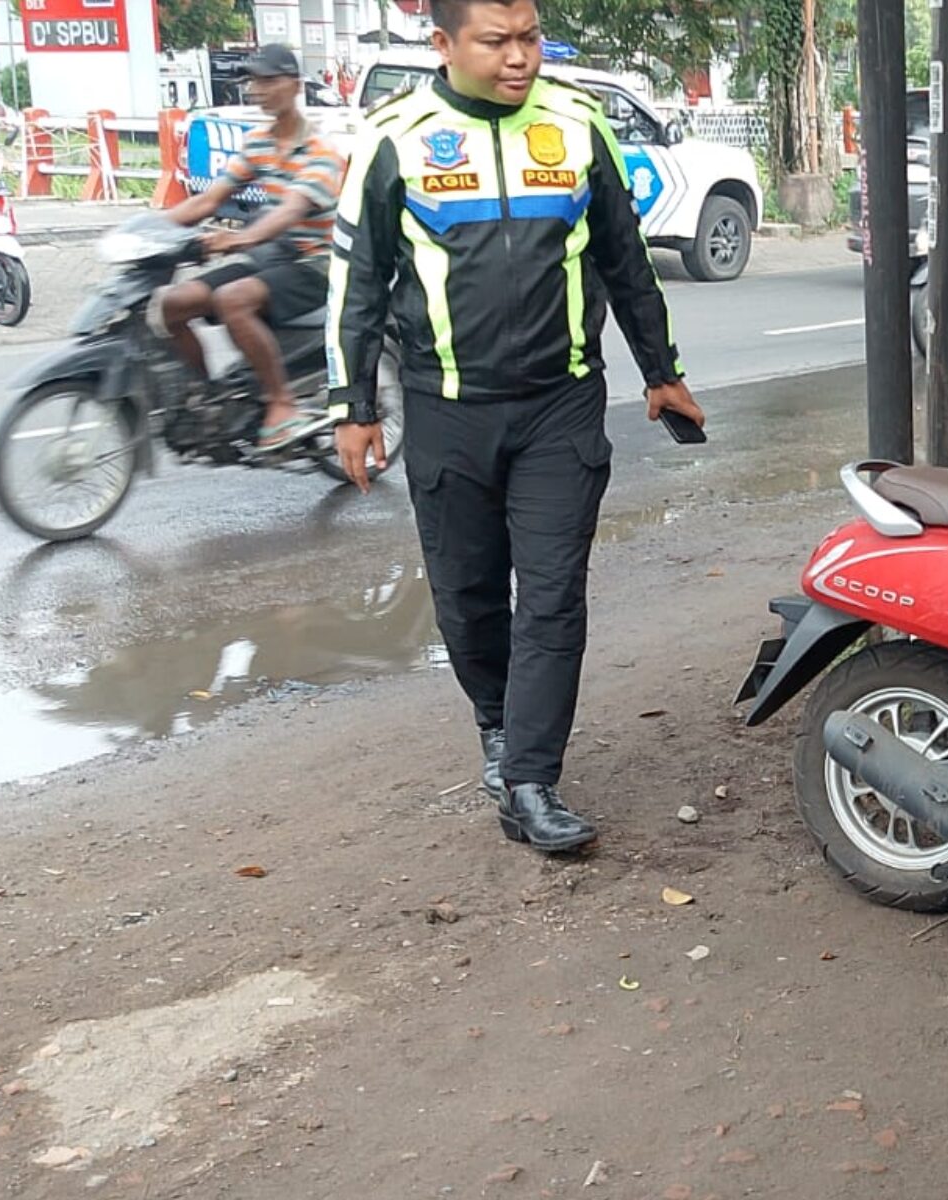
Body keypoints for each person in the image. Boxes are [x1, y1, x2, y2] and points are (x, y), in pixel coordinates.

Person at [323, 0, 705, 854]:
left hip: (560, 406)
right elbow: (357, 281)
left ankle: (531, 780)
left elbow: (624, 259)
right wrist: (354, 407)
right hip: (445, 407)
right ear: (446, 45)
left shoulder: (576, 126)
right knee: (466, 593)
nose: (518, 57)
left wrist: (662, 372)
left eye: (529, 37)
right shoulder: (397, 137)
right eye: (496, 42)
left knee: (553, 594)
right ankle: (497, 722)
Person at [155, 44, 346, 449]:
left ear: (294, 86)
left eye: (267, 80)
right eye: (253, 81)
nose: (256, 89)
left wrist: (238, 238)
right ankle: (208, 399)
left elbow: (291, 211)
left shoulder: (322, 152)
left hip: (318, 261)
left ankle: (282, 403)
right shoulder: (258, 141)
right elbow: (208, 200)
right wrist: (147, 232)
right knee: (173, 303)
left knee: (232, 299)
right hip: (274, 254)